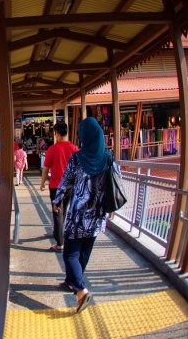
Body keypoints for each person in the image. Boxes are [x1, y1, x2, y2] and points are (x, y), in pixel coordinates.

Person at [52, 117, 112, 314]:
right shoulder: (108, 157)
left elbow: (66, 182)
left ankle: (81, 290)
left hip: (79, 215)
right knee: (84, 251)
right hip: (98, 214)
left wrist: (57, 200)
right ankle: (72, 281)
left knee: (70, 254)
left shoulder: (78, 158)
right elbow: (115, 182)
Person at [40, 121, 79, 252]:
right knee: (64, 211)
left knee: (57, 213)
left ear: (56, 133)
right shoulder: (74, 149)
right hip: (70, 187)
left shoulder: (52, 149)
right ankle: (58, 233)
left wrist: (42, 183)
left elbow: (45, 169)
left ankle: (60, 244)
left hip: (56, 186)